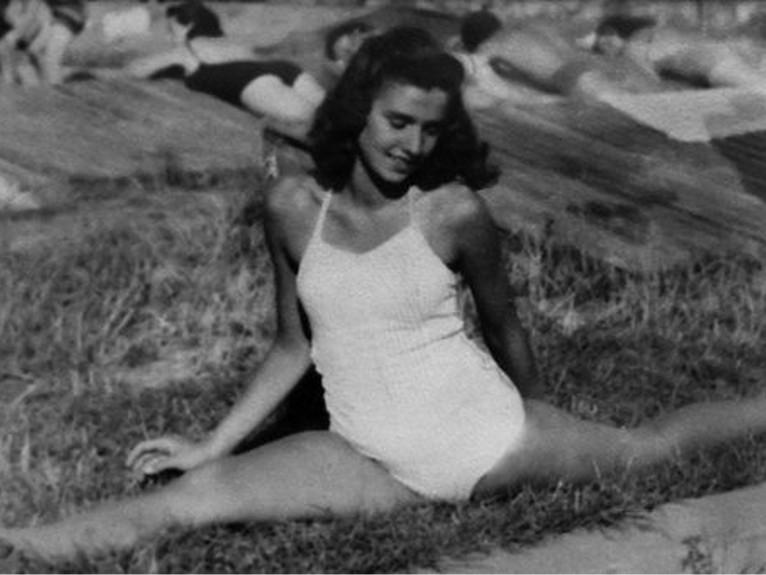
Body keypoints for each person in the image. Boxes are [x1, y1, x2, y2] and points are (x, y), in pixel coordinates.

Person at [3, 25, 766, 563]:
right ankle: (19, 548)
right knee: (191, 496)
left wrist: (538, 412)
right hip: (363, 454)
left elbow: (504, 327)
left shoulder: (453, 210)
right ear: (358, 110)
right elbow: (292, 345)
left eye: (430, 130)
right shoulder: (292, 207)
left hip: (488, 439)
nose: (412, 144)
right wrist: (212, 443)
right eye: (398, 122)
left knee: (645, 449)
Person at [123, 0, 326, 142]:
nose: (169, 36)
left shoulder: (185, 50)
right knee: (335, 119)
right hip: (283, 69)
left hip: (254, 82)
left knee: (316, 132)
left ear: (189, 26)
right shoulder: (233, 42)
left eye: (171, 29)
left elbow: (135, 71)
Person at [457, 8, 663, 103]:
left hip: (570, 76)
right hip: (593, 62)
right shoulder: (530, 24)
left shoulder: (491, 45)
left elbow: (473, 70)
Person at [591, 14, 766, 93]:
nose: (604, 43)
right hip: (721, 53)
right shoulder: (648, 36)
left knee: (759, 93)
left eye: (608, 36)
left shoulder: (632, 48)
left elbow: (651, 84)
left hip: (707, 62)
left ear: (621, 33)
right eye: (601, 43)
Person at [0, 0, 87, 85]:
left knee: (49, 57)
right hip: (55, 18)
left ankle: (52, 85)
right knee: (33, 53)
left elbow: (31, 16)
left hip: (66, 17)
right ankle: (42, 83)